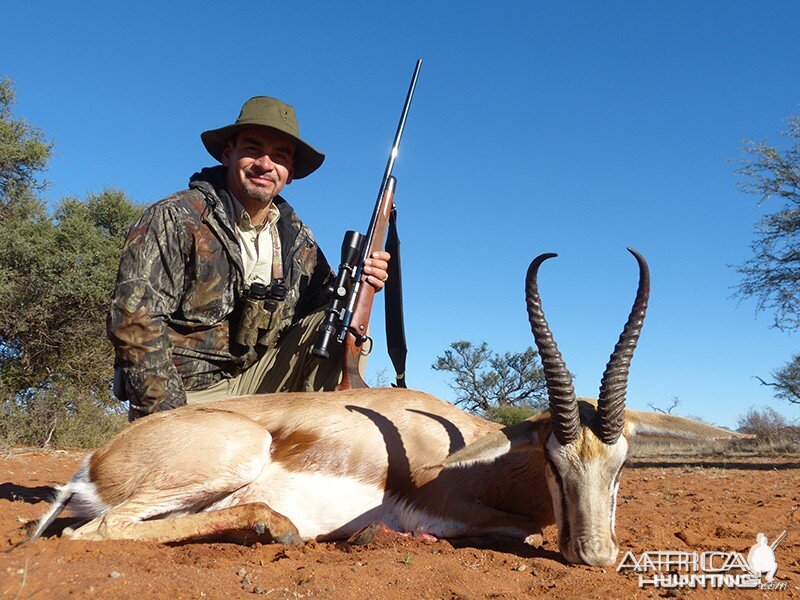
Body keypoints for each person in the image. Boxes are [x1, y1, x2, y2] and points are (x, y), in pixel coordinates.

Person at [108, 96, 390, 420]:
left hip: (258, 390)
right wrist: (164, 419)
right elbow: (134, 318)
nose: (265, 164)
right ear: (229, 154)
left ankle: (311, 454)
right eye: (253, 149)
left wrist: (364, 282)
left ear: (290, 172)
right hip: (185, 395)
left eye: (280, 156)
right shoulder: (175, 217)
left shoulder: (298, 240)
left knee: (343, 317)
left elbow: (327, 304)